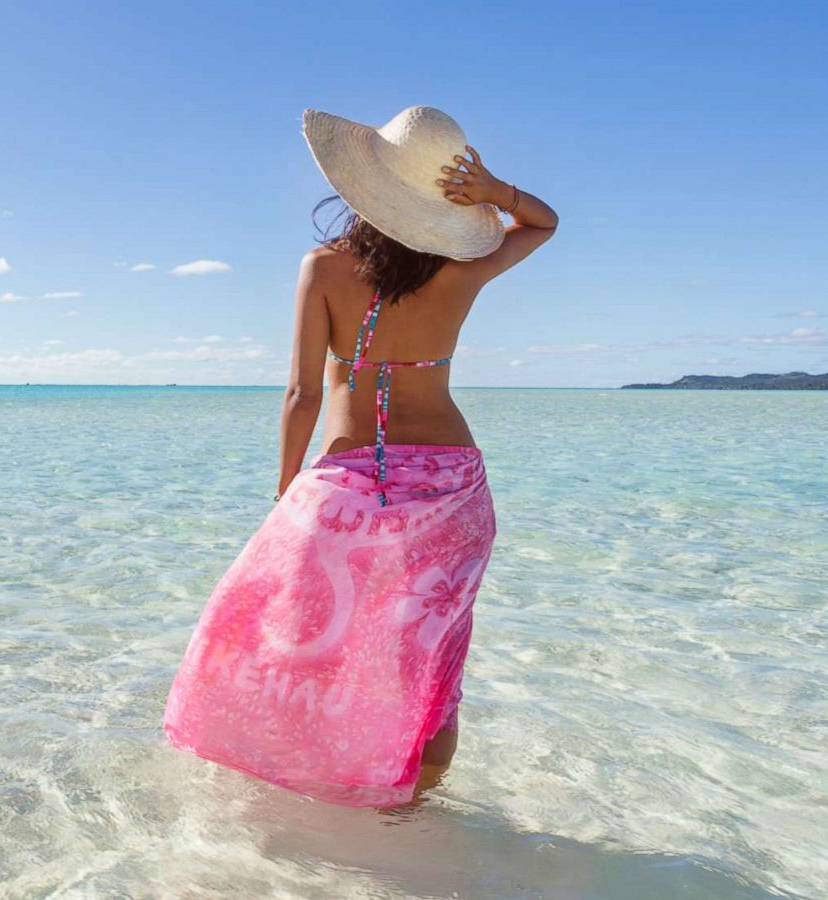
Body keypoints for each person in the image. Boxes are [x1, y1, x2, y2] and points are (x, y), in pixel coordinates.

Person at [163, 106, 558, 808]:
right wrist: (496, 191)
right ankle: (418, 807)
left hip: (346, 482)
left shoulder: (323, 268)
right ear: (444, 204)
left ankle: (307, 779)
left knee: (287, 634)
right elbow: (544, 223)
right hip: (451, 487)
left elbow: (300, 394)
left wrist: (287, 489)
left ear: (362, 187)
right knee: (429, 653)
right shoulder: (463, 268)